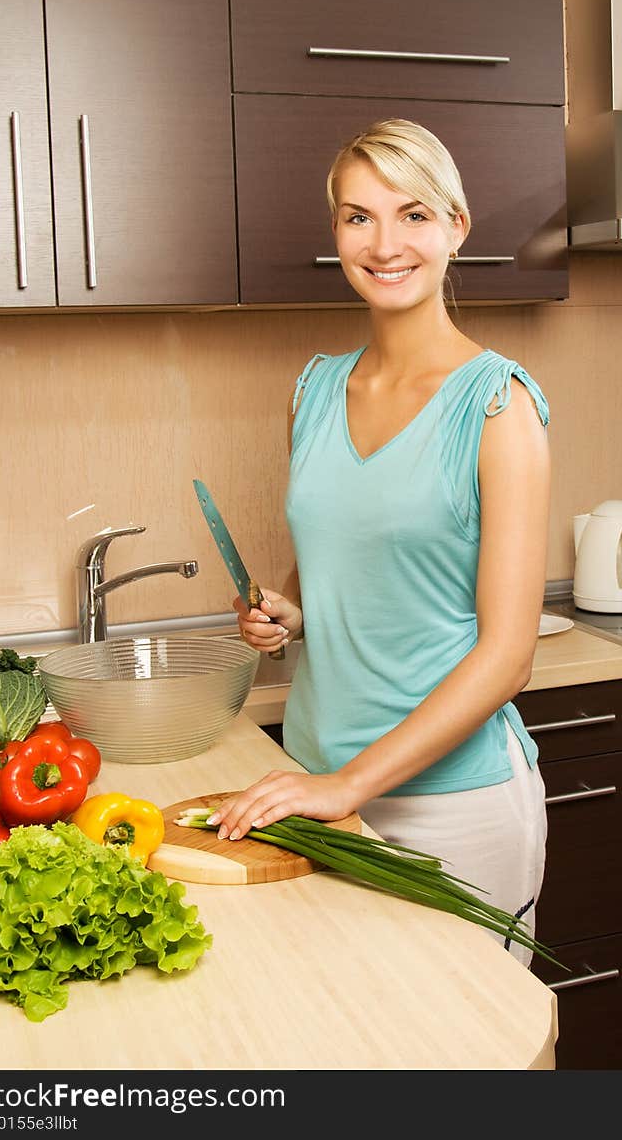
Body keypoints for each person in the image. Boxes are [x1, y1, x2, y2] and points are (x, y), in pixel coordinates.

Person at [209, 119, 552, 965]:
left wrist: (344, 786)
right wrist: (295, 612)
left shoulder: (498, 405)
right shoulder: (315, 389)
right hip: (321, 781)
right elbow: (338, 553)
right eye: (358, 217)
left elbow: (509, 658)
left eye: (413, 215)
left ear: (455, 228)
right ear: (335, 233)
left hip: (452, 804)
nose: (386, 242)